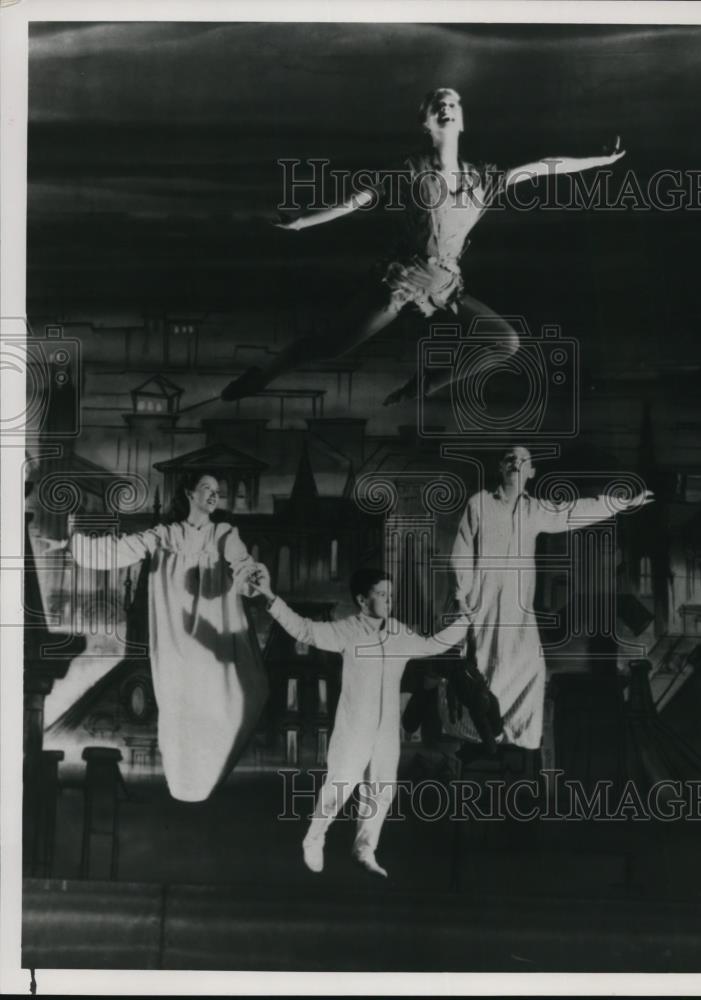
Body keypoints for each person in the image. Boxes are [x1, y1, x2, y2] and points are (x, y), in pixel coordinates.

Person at [221, 87, 625, 405]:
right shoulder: (409, 171)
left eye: (452, 104)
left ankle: (427, 383)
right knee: (329, 346)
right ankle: (263, 375)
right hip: (404, 278)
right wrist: (302, 222)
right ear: (426, 122)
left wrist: (599, 162)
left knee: (507, 343)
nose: (446, 108)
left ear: (461, 121)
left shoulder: (483, 178)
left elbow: (542, 167)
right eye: (437, 105)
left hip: (446, 284)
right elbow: (357, 199)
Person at [250, 564, 469, 877]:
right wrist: (271, 598)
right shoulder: (346, 631)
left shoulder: (399, 632)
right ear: (363, 600)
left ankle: (365, 849)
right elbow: (305, 629)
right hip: (354, 725)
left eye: (391, 594)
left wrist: (466, 620)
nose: (389, 599)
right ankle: (314, 838)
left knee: (381, 789)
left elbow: (432, 644)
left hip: (386, 730)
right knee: (340, 785)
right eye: (381, 594)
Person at [68, 473, 268, 802]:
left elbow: (243, 564)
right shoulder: (165, 535)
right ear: (189, 493)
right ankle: (185, 785)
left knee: (239, 697)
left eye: (217, 490)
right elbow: (122, 549)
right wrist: (76, 546)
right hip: (176, 637)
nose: (214, 495)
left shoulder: (224, 534)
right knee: (178, 706)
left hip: (213, 635)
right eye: (206, 488)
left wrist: (251, 578)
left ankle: (206, 779)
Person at [450, 446, 653, 751]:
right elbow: (463, 548)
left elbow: (574, 511)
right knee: (481, 665)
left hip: (518, 607)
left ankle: (518, 736)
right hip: (483, 600)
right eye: (510, 459)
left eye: (523, 461)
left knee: (530, 667)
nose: (516, 464)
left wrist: (620, 503)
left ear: (531, 472)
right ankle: (480, 735)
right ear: (500, 468)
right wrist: (459, 593)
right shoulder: (479, 503)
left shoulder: (535, 510)